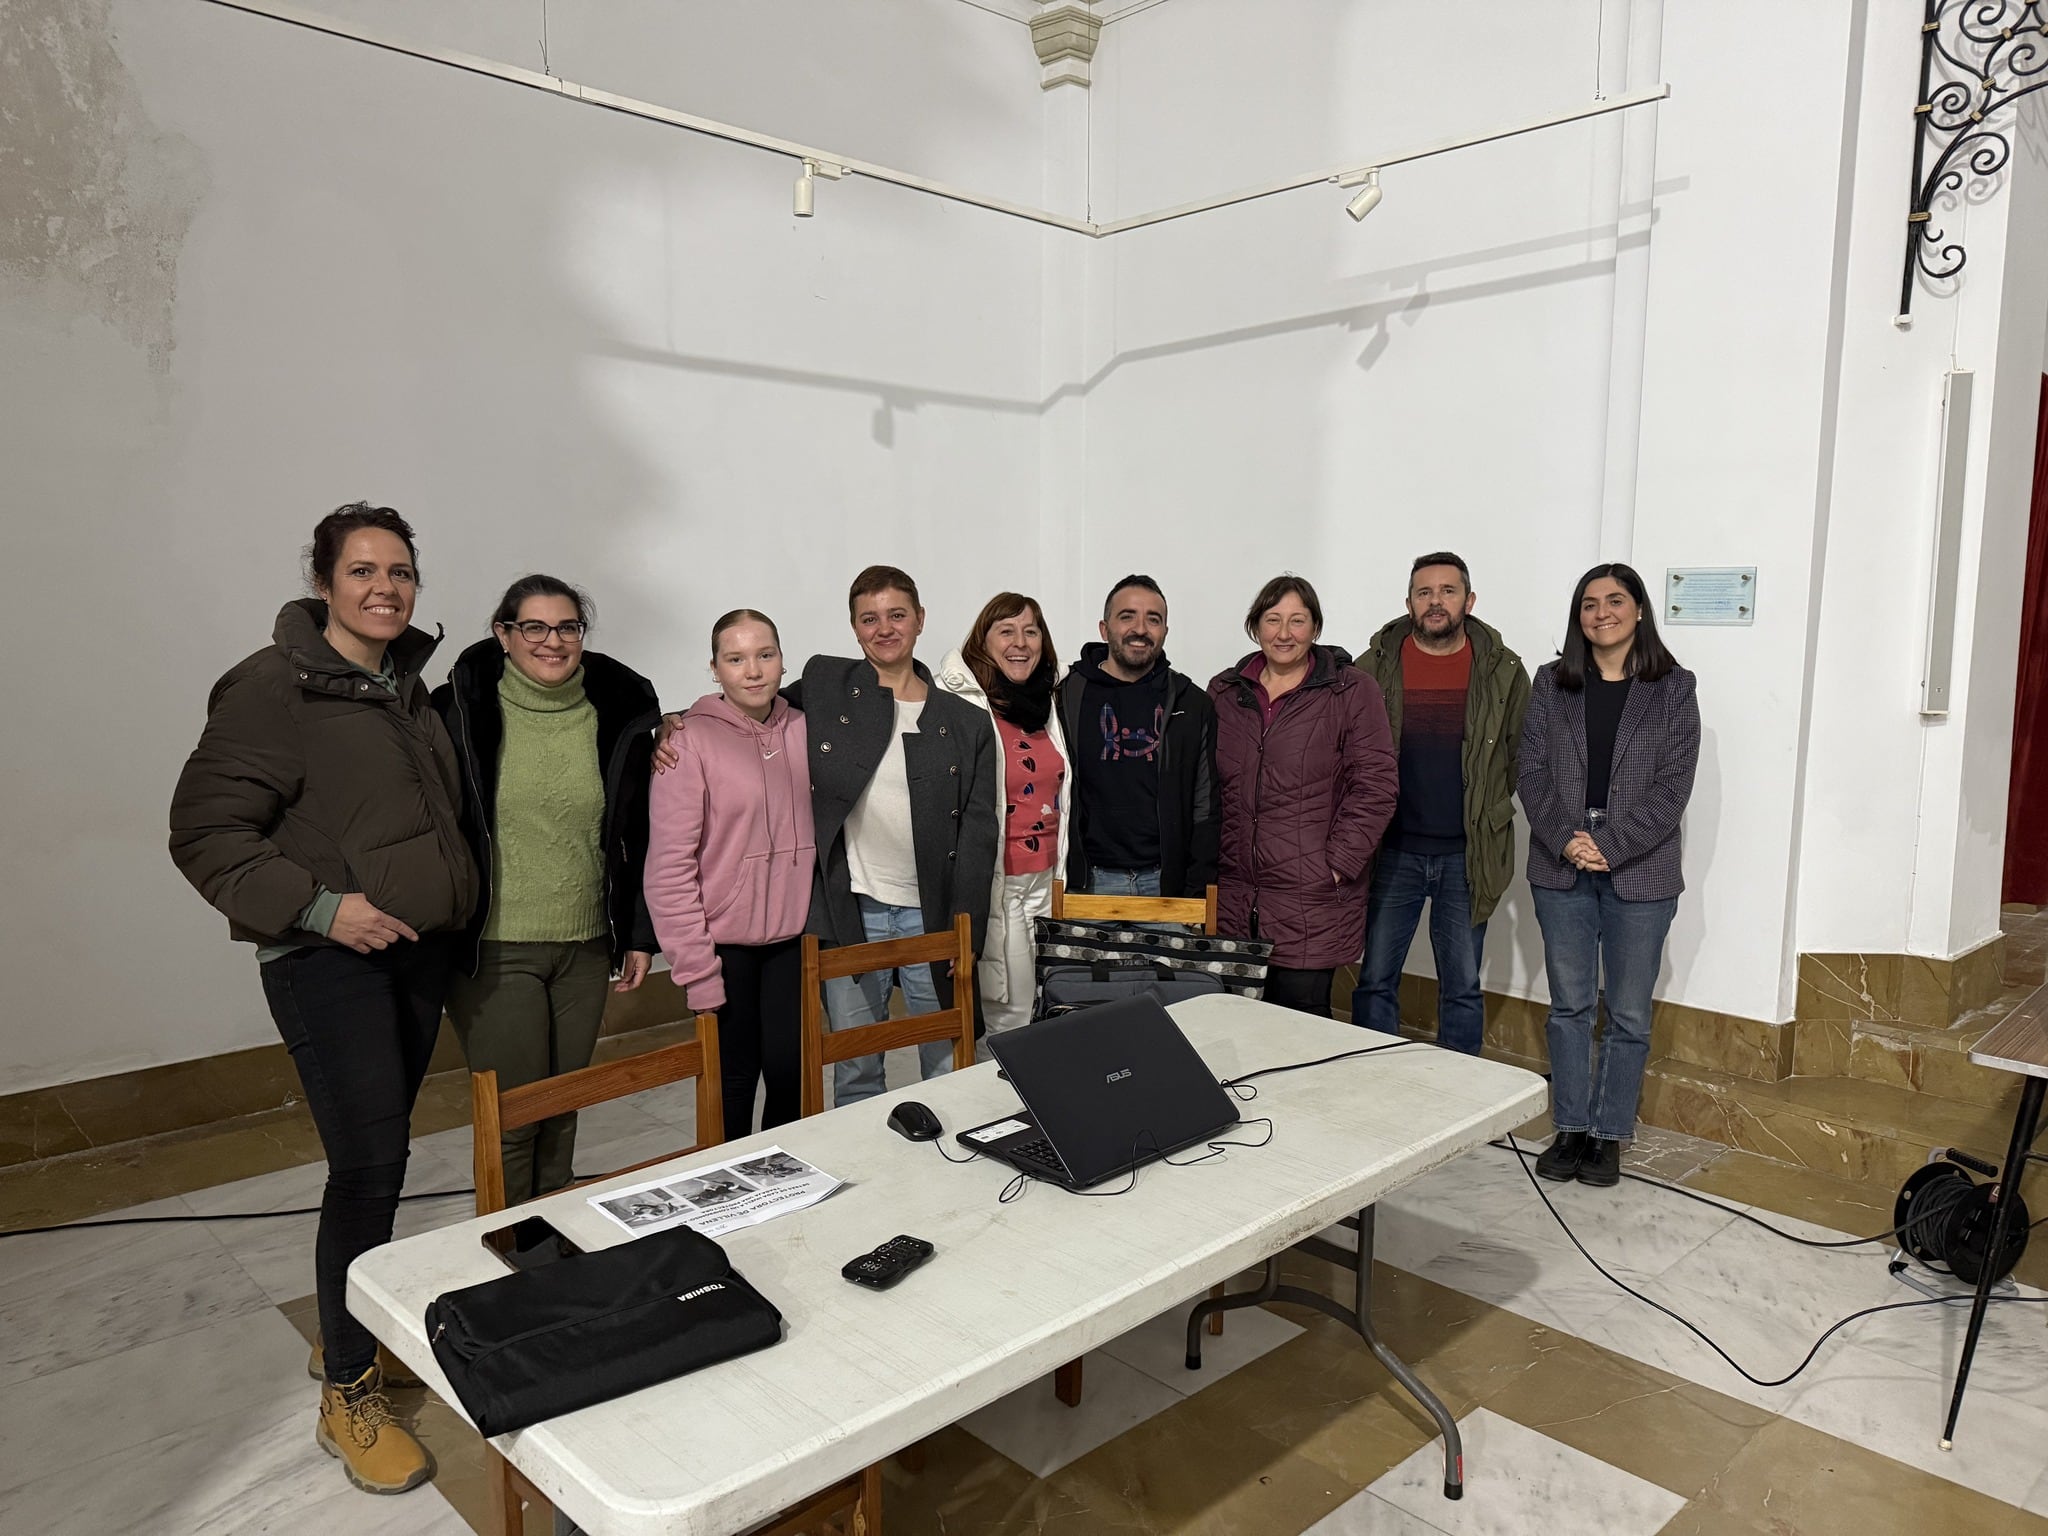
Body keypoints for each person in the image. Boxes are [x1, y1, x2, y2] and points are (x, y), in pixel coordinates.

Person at [169, 503, 475, 1496]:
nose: (385, 587)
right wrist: (317, 908)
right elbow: (206, 834)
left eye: (400, 571)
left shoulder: (405, 689)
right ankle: (347, 1386)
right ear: (324, 582)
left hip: (414, 959)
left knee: (382, 1162)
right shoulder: (273, 689)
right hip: (326, 963)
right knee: (367, 1165)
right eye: (363, 571)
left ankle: (350, 1327)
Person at [431, 575, 661, 1206]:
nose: (552, 641)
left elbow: (638, 831)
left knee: (565, 1106)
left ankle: (552, 1237)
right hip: (496, 946)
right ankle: (505, 1250)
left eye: (567, 627)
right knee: (515, 1115)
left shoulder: (619, 713)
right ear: (505, 635)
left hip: (585, 946)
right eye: (534, 627)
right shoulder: (457, 711)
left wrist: (637, 934)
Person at [1520, 562, 1699, 1189]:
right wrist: (1569, 840)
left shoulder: (1674, 687)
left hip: (1642, 873)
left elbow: (1674, 784)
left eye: (1615, 601)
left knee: (1627, 1013)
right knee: (1569, 1006)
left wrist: (1612, 844)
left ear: (1640, 610)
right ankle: (1570, 1125)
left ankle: (1609, 1133)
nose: (1602, 613)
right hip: (1560, 863)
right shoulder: (1551, 683)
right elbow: (1531, 773)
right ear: (1579, 617)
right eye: (1589, 604)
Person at [791, 566, 997, 1105]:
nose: (884, 628)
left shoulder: (966, 722)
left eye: (897, 615)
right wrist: (677, 720)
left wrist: (967, 931)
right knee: (856, 1065)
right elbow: (754, 704)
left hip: (932, 913)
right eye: (869, 619)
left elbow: (979, 832)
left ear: (921, 620)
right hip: (852, 908)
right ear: (855, 629)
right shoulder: (824, 684)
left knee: (948, 1061)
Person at [645, 609, 816, 1135]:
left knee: (793, 1079)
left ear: (783, 661)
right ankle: (730, 1202)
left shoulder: (807, 729)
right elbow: (669, 869)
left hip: (792, 943)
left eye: (765, 655)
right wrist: (695, 970)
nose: (753, 670)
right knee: (733, 1085)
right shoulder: (688, 741)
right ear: (714, 668)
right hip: (724, 946)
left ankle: (787, 1195)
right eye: (735, 658)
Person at [1351, 553, 1530, 1051]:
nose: (1436, 601)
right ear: (1408, 603)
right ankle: (1373, 1083)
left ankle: (1460, 1108)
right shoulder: (1372, 670)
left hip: (1467, 855)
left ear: (1468, 601)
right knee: (1375, 980)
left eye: (1448, 591)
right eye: (1424, 592)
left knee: (1463, 989)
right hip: (1392, 851)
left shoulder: (1503, 672)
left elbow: (1519, 755)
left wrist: (1484, 812)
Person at [1209, 575, 1397, 1015]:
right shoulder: (1224, 691)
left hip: (1311, 896)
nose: (1284, 633)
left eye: (1297, 620)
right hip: (1237, 894)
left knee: (1303, 1034)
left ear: (1315, 628)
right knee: (1234, 1026)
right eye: (1273, 619)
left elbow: (1376, 784)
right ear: (1255, 627)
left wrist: (1335, 865)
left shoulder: (1351, 691)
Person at [935, 593, 1069, 1042]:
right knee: (1008, 1018)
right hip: (1003, 884)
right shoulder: (964, 705)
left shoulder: (1049, 704)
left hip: (1050, 881)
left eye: (1031, 631)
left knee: (1052, 1009)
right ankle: (1008, 1108)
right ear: (983, 641)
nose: (1021, 642)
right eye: (1006, 631)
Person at [1055, 574, 1219, 899]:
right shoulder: (1066, 695)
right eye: (1127, 616)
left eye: (1153, 620)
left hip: (1165, 888)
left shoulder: (1191, 702)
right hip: (1085, 886)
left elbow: (1206, 806)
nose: (1140, 629)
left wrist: (1196, 890)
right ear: (1104, 629)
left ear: (1165, 632)